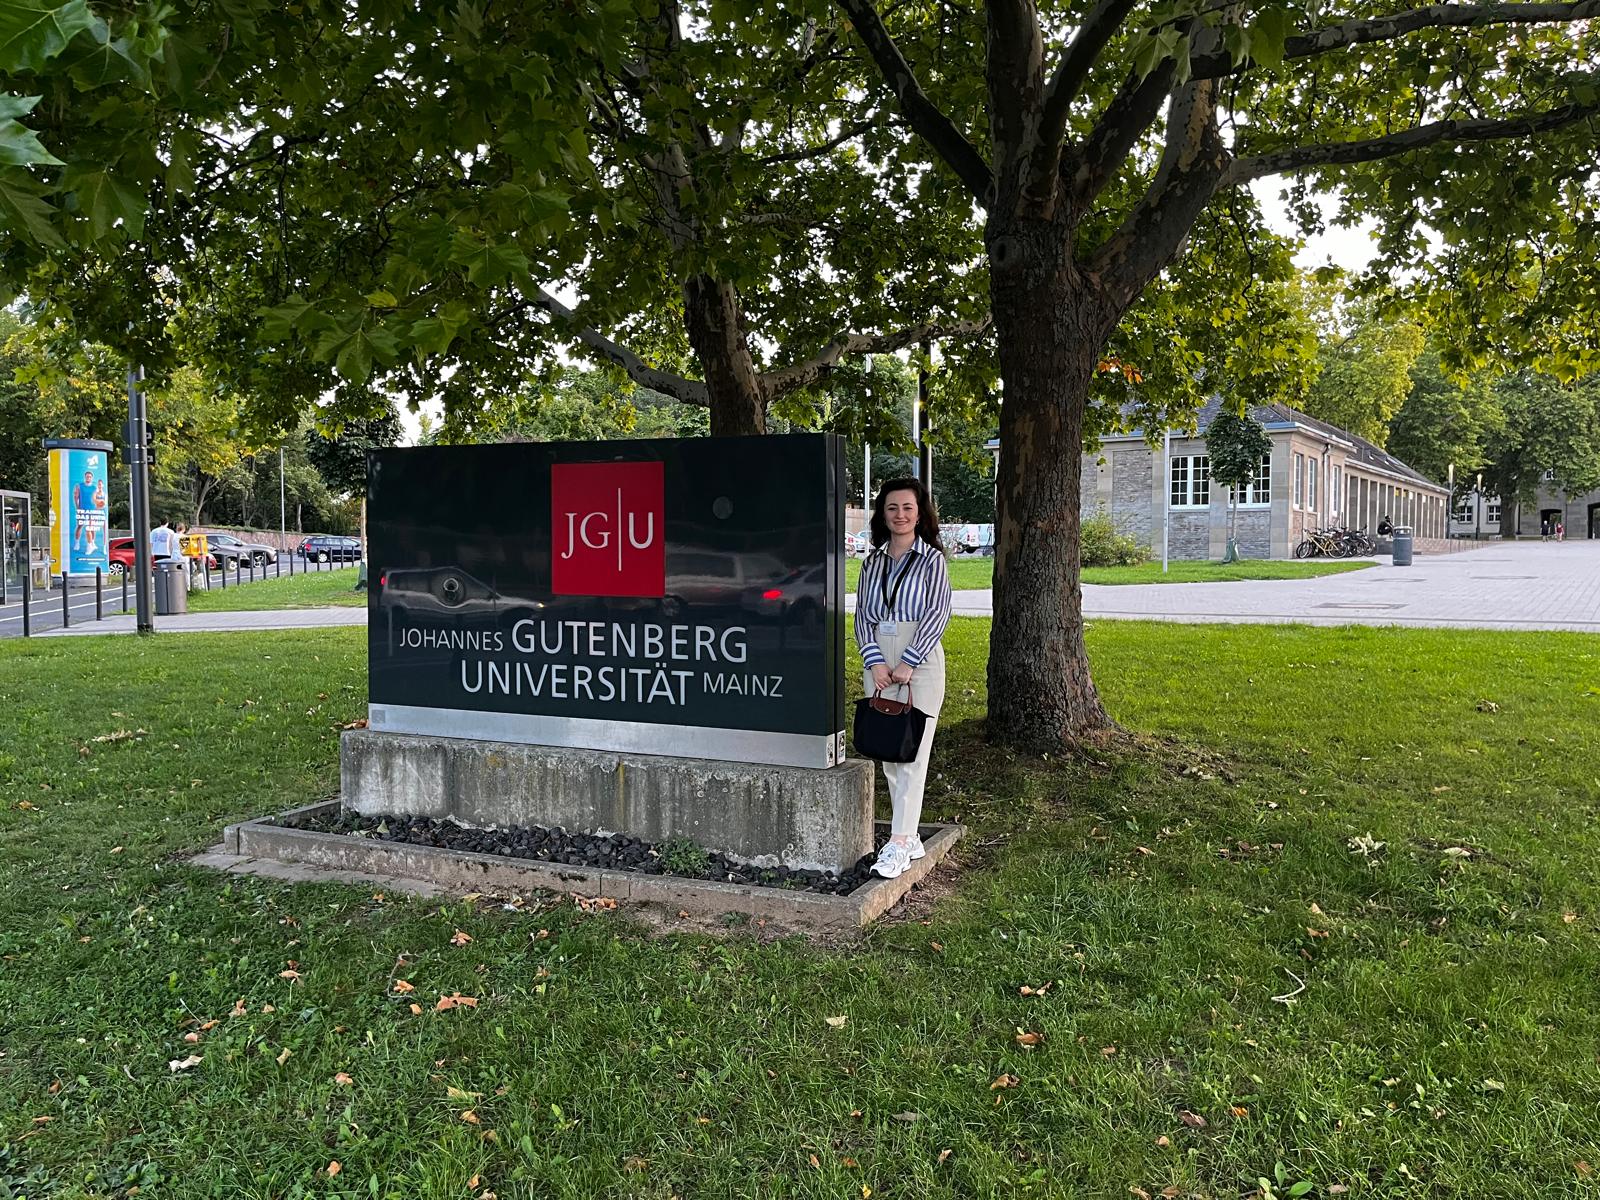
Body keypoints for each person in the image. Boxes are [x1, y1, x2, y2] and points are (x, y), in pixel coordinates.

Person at [853, 477, 953, 880]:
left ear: (919, 513)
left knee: (913, 751)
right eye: (892, 508)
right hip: (879, 657)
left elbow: (938, 613)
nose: (900, 515)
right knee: (889, 751)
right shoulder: (872, 563)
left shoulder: (932, 561)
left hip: (919, 660)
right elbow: (862, 616)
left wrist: (909, 662)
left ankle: (898, 842)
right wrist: (875, 661)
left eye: (908, 508)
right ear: (883, 514)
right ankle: (908, 836)